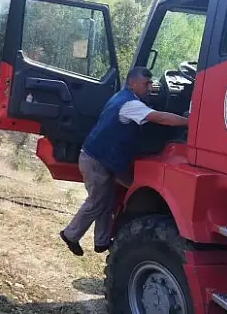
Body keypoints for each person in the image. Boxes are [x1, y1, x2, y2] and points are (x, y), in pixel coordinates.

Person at [59, 66, 189, 256]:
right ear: (132, 83)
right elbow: (160, 118)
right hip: (96, 160)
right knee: (97, 202)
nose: (149, 87)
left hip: (98, 158)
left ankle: (101, 242)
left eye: (150, 83)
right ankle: (70, 235)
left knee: (107, 200)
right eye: (145, 84)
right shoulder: (130, 105)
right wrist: (189, 122)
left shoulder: (121, 97)